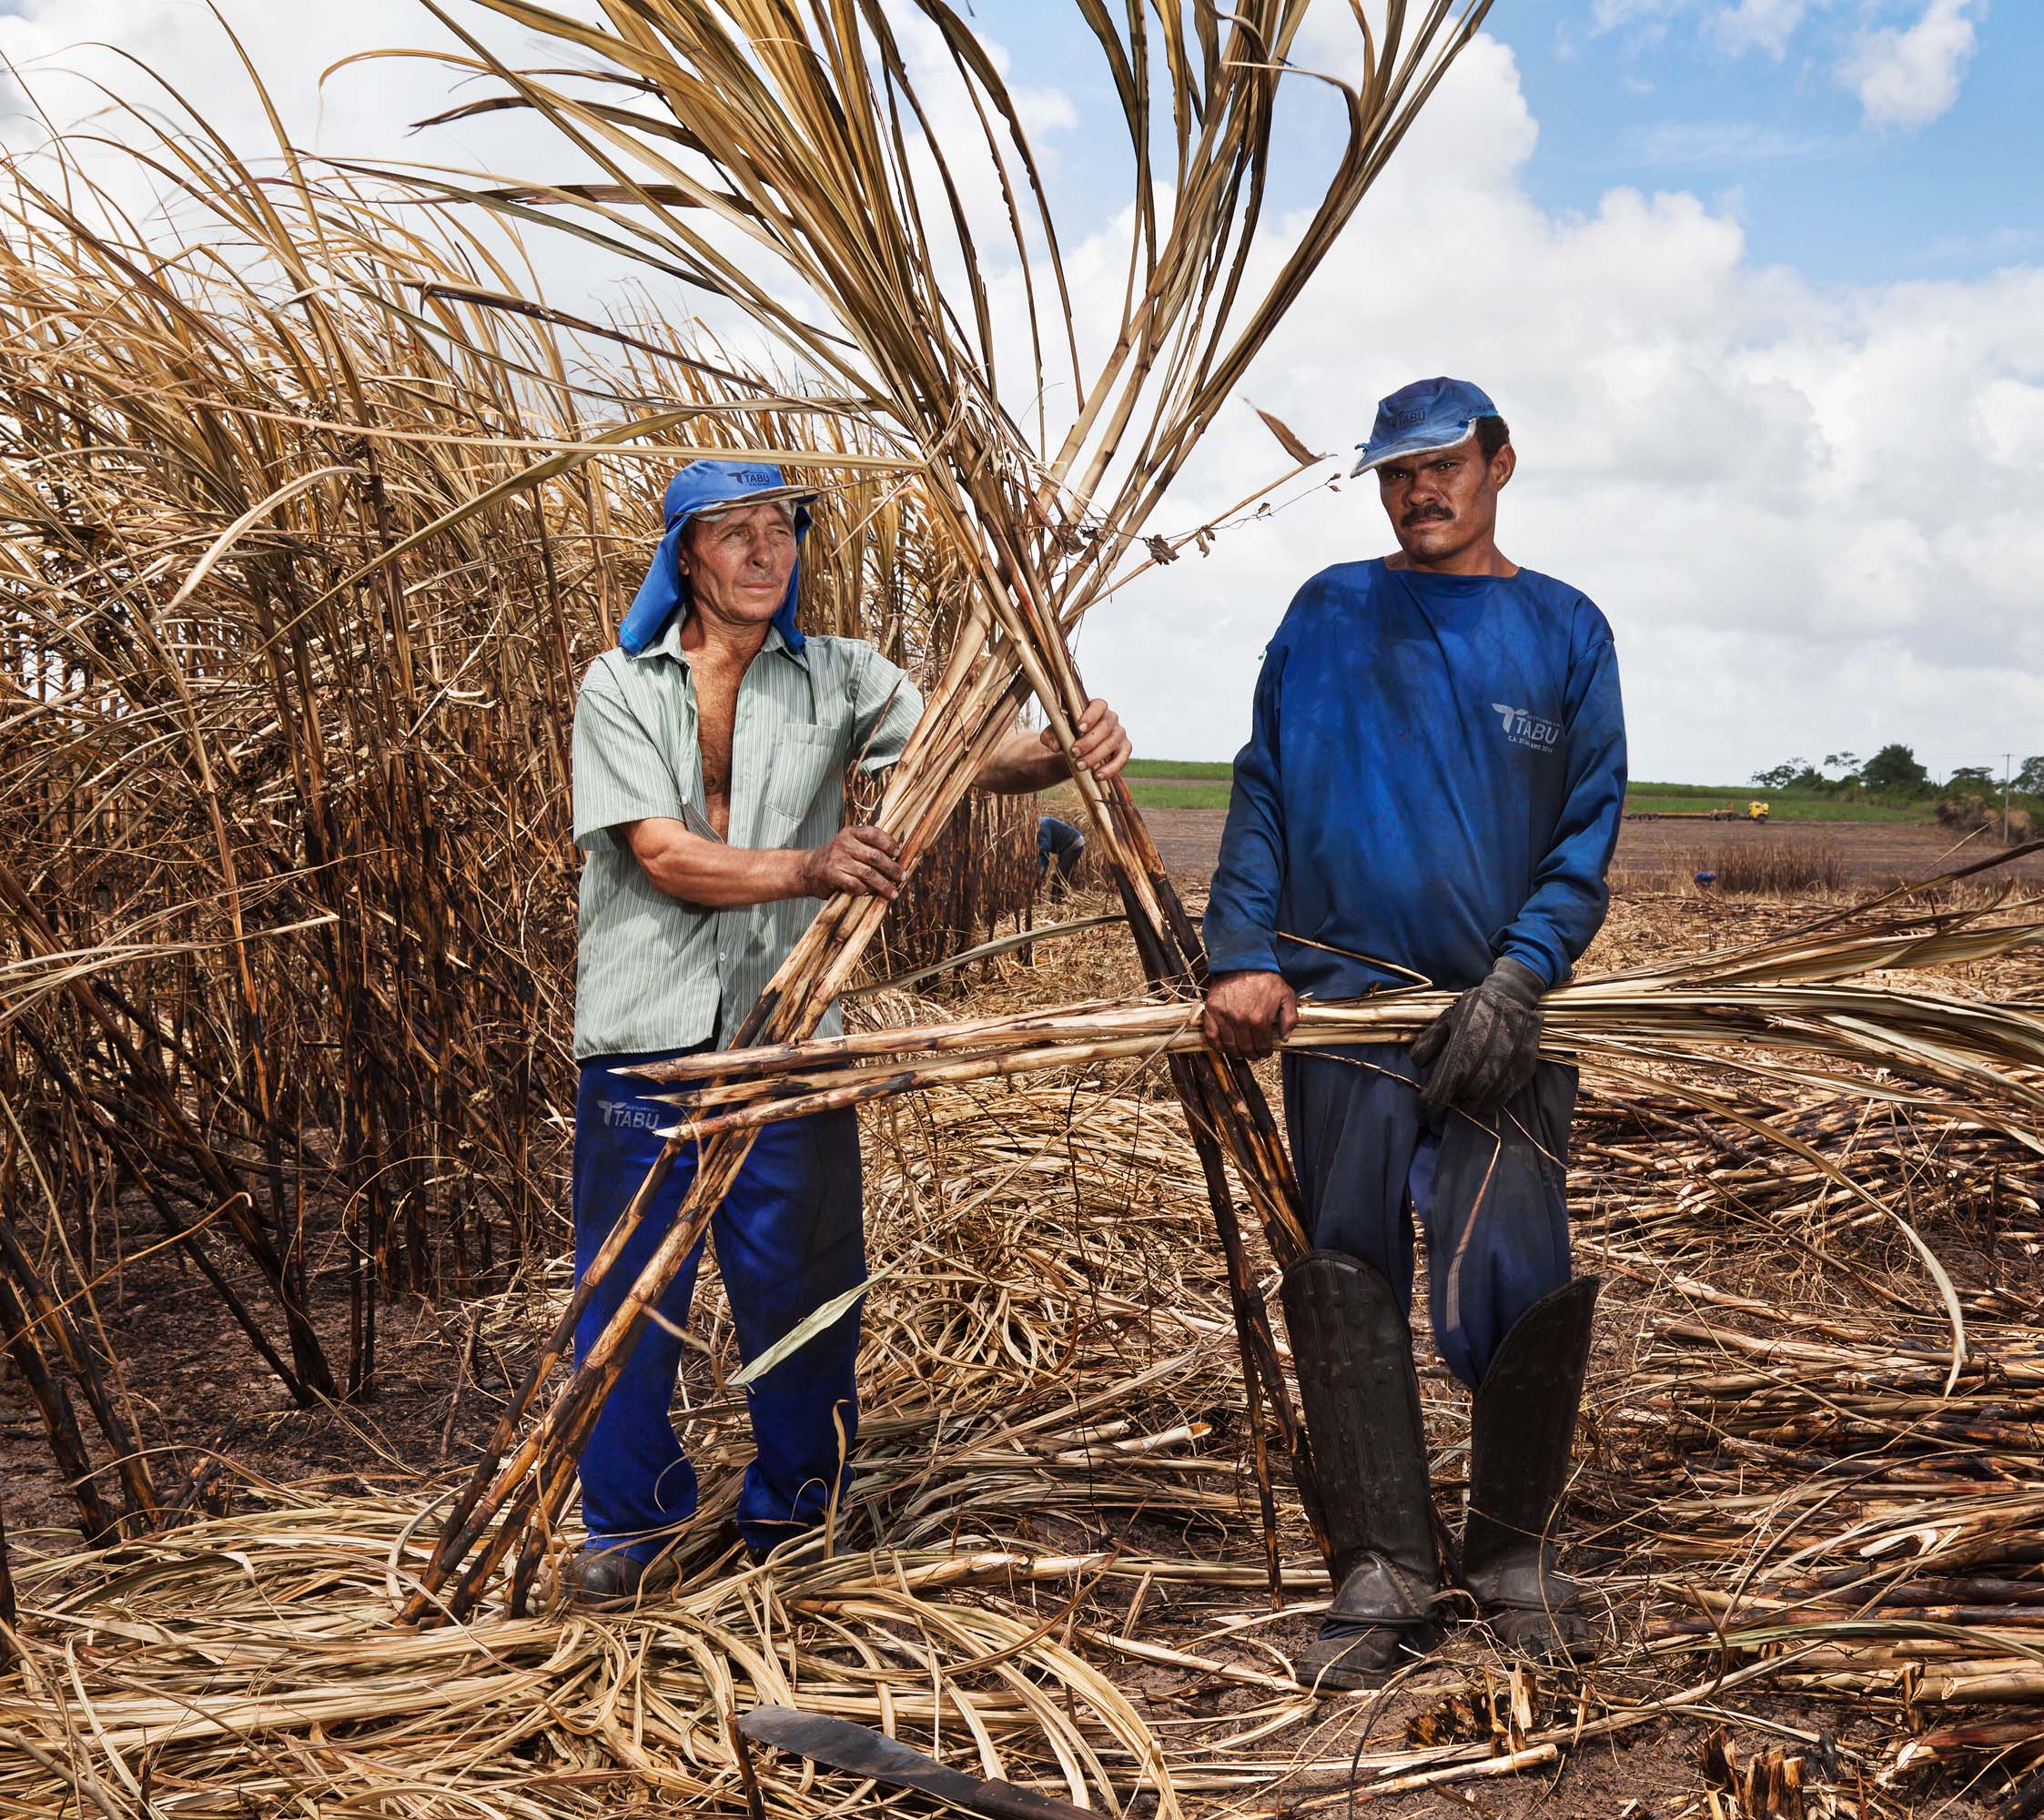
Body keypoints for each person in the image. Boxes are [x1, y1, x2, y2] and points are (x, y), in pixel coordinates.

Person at [569, 459, 1130, 1601]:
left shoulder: (841, 678)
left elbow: (975, 757)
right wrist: (809, 864)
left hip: (789, 1027)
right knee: (626, 1289)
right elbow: (663, 854)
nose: (765, 552)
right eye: (735, 533)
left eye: (780, 529)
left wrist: (1063, 747)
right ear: (687, 555)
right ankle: (628, 1532)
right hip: (646, 1037)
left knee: (806, 1286)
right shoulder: (619, 685)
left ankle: (796, 1521)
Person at [1199, 379, 1627, 1690]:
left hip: (1495, 1016)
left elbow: (1585, 829)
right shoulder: (1328, 613)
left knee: (1516, 1266)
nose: (1415, 491)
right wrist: (1241, 954)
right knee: (1345, 1267)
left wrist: (1519, 980)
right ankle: (1380, 1568)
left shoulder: (1561, 629)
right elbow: (1263, 785)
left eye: (1440, 465)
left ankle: (1511, 1556)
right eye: (1393, 473)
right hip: (1343, 1014)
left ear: (1500, 462)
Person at [1036, 814, 1087, 895]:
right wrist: (1040, 875)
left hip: (1074, 844)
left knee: (1060, 876)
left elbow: (1045, 847)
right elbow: (1044, 858)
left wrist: (1039, 875)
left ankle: (1058, 903)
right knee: (1060, 875)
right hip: (1066, 848)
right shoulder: (1038, 828)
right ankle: (1057, 901)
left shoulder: (1042, 824)